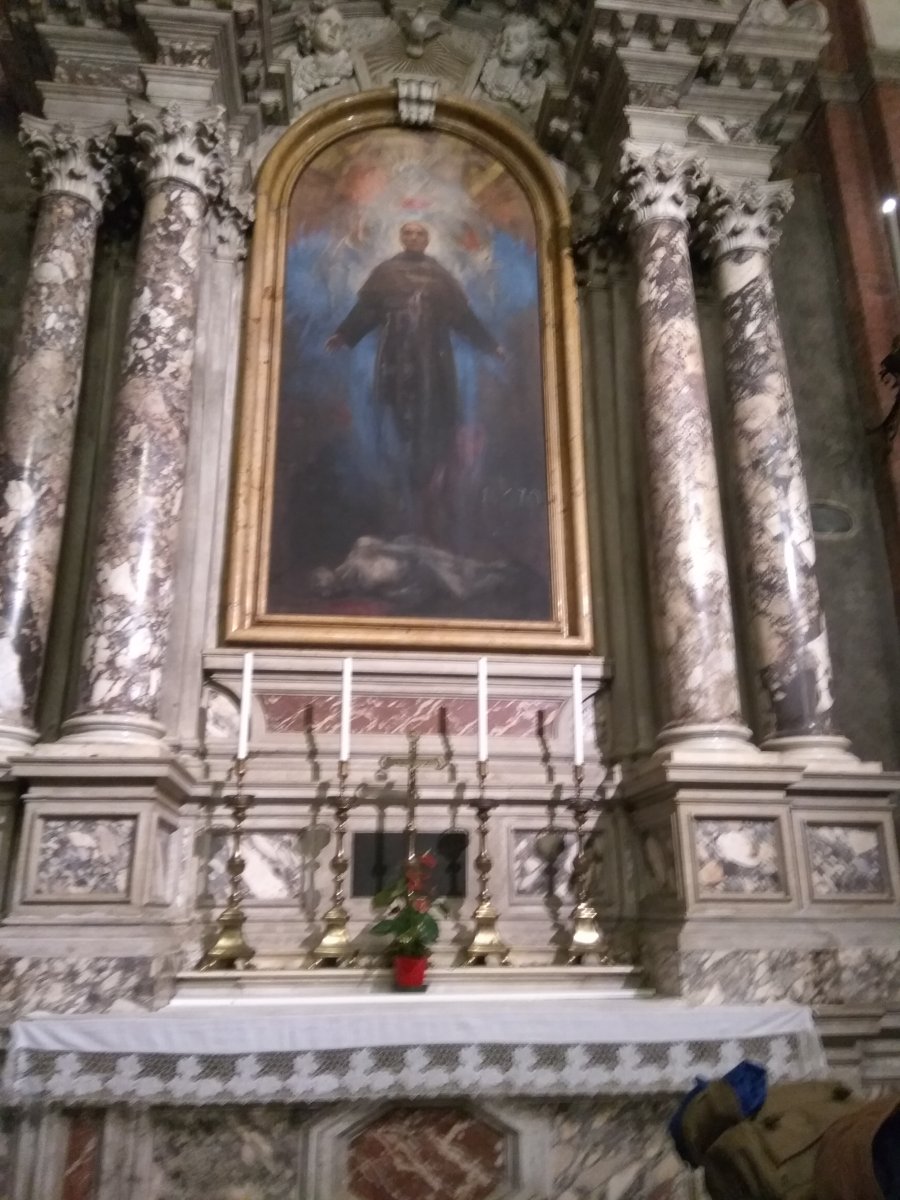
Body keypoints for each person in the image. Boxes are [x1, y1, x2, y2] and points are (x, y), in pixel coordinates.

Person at [325, 221, 503, 536]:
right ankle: (401, 498)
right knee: (398, 420)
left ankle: (427, 493)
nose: (414, 237)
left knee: (431, 420)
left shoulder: (439, 276)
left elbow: (463, 318)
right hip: (396, 357)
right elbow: (366, 311)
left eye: (420, 233)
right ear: (401, 238)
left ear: (427, 239)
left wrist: (489, 344)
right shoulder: (386, 273)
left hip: (433, 360)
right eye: (408, 233)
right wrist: (344, 335)